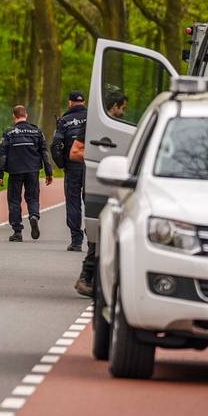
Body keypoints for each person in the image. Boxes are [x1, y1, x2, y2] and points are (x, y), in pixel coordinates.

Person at [75, 86, 128, 297]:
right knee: (99, 233)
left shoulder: (114, 127)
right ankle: (87, 278)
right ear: (113, 107)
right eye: (122, 108)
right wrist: (101, 160)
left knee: (102, 233)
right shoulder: (93, 126)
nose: (123, 112)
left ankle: (92, 279)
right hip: (98, 183)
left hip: (110, 184)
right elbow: (75, 151)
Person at [0, 105, 53, 242]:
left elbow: (3, 155)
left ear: (14, 116)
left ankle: (17, 231)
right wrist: (49, 172)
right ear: (26, 115)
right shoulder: (37, 131)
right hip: (33, 170)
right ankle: (33, 215)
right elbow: (44, 152)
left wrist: (0, 174)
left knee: (14, 199)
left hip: (15, 171)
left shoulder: (9, 133)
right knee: (33, 197)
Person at [51, 91, 89, 252]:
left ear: (70, 102)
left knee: (73, 201)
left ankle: (76, 241)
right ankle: (95, 238)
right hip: (90, 163)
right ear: (84, 102)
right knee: (92, 201)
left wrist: (62, 164)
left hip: (72, 164)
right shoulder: (94, 118)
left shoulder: (64, 121)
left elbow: (55, 145)